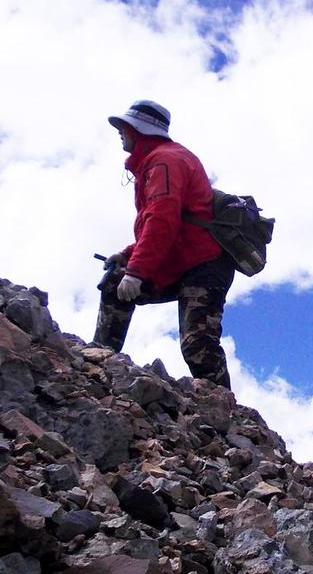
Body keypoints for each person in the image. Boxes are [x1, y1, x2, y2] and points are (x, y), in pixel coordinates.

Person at [94, 99, 234, 388]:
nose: (119, 132)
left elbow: (162, 219)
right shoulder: (160, 160)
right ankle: (99, 364)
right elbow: (167, 222)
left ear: (139, 130)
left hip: (205, 265)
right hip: (186, 261)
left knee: (198, 344)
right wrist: (127, 255)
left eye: (124, 126)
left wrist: (136, 271)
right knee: (116, 284)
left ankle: (225, 410)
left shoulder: (164, 161)